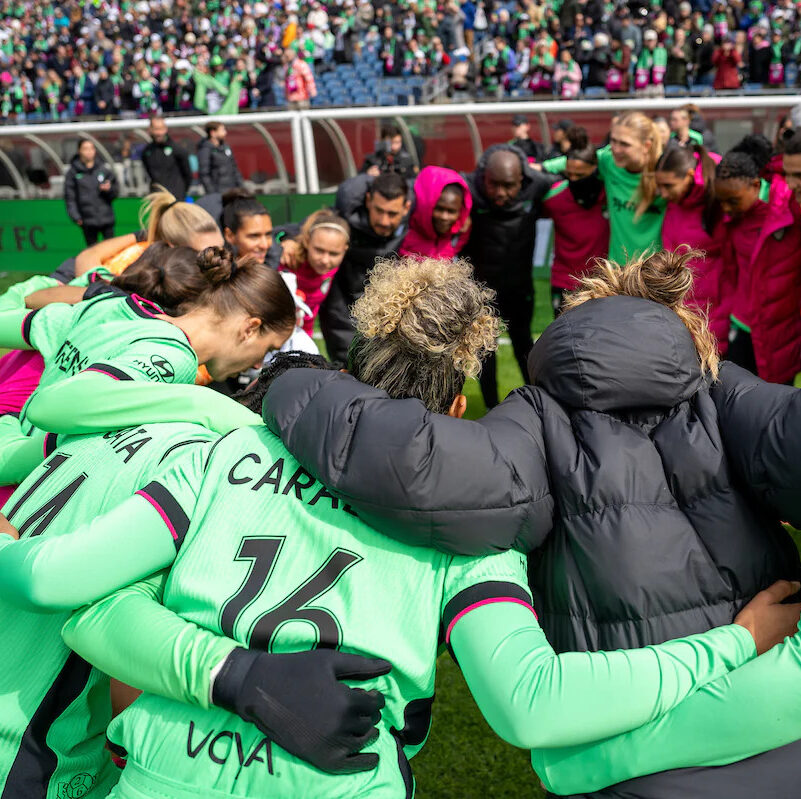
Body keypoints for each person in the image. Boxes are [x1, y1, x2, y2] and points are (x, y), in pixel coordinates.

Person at [0, 257, 794, 799]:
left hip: (165, 775)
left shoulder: (225, 449)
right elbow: (534, 705)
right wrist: (734, 643)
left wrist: (231, 674)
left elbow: (72, 596)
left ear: (350, 367)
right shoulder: (472, 533)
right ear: (458, 408)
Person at [259, 248, 801, 798]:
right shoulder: (723, 390)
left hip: (631, 745)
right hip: (778, 718)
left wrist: (294, 386)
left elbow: (416, 463)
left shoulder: (539, 416)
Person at [463, 144, 555, 408]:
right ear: (484, 177)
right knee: (484, 350)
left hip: (519, 287)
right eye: (494, 184)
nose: (500, 193)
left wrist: (547, 166)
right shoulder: (469, 188)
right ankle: (491, 407)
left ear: (522, 180)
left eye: (508, 185)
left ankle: (538, 405)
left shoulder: (536, 185)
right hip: (480, 290)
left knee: (524, 344)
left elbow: (578, 173)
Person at [715, 139, 801, 385]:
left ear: (755, 185)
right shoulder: (735, 217)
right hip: (741, 325)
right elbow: (731, 273)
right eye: (721, 201)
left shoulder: (787, 207)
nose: (726, 208)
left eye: (733, 201)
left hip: (779, 330)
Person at [318, 171, 410, 362]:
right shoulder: (343, 219)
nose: (384, 221)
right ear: (368, 200)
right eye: (379, 210)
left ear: (406, 208)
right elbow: (301, 231)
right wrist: (285, 239)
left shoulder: (414, 222)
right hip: (342, 308)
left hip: (386, 311)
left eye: (392, 214)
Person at [656, 144, 731, 354]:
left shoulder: (715, 202)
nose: (663, 193)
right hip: (681, 306)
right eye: (659, 186)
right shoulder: (677, 201)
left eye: (668, 186)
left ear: (689, 175)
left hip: (712, 313)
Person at [540, 130, 609, 315]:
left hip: (601, 282)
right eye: (569, 175)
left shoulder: (610, 195)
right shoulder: (554, 197)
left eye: (580, 175)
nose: (574, 180)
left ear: (595, 170)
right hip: (564, 281)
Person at [279, 210, 350, 336]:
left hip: (302, 332)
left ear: (344, 250)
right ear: (307, 242)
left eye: (334, 254)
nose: (325, 260)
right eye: (319, 250)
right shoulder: (288, 260)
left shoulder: (332, 268)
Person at [399, 166, 472, 259]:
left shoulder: (460, 233)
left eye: (452, 211)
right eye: (439, 209)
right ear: (425, 205)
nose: (444, 217)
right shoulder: (401, 230)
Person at [64, 138, 118, 246]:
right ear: (79, 151)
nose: (89, 151)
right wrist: (76, 216)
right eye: (85, 149)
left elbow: (115, 191)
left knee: (111, 250)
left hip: (106, 219)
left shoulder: (103, 170)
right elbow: (70, 197)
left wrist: (109, 189)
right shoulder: (73, 173)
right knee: (92, 251)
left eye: (91, 148)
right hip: (87, 221)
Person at [141, 116, 193, 200]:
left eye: (161, 129)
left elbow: (187, 175)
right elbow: (150, 174)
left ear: (166, 129)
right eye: (156, 129)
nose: (159, 133)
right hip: (157, 197)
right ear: (150, 130)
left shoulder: (177, 149)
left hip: (176, 198)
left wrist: (181, 192)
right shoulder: (147, 152)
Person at [197, 122, 243, 196]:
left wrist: (241, 187)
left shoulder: (226, 147)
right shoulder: (205, 149)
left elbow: (234, 168)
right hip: (218, 192)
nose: (225, 133)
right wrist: (212, 194)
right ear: (213, 133)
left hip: (233, 190)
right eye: (222, 130)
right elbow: (204, 174)